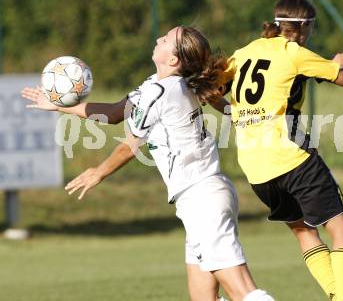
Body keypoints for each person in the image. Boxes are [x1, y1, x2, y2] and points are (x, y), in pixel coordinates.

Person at [22, 26, 275, 301]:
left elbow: (131, 145)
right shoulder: (160, 85)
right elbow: (115, 113)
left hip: (203, 199)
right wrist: (60, 106)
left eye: (165, 39)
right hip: (202, 196)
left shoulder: (161, 91)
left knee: (245, 293)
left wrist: (99, 172)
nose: (158, 39)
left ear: (174, 60)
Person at [215, 0, 343, 300]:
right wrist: (341, 62)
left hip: (256, 170)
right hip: (292, 157)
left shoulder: (243, 53)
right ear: (303, 26)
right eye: (310, 27)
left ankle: (338, 295)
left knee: (305, 231)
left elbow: (211, 91)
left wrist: (235, 112)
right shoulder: (293, 52)